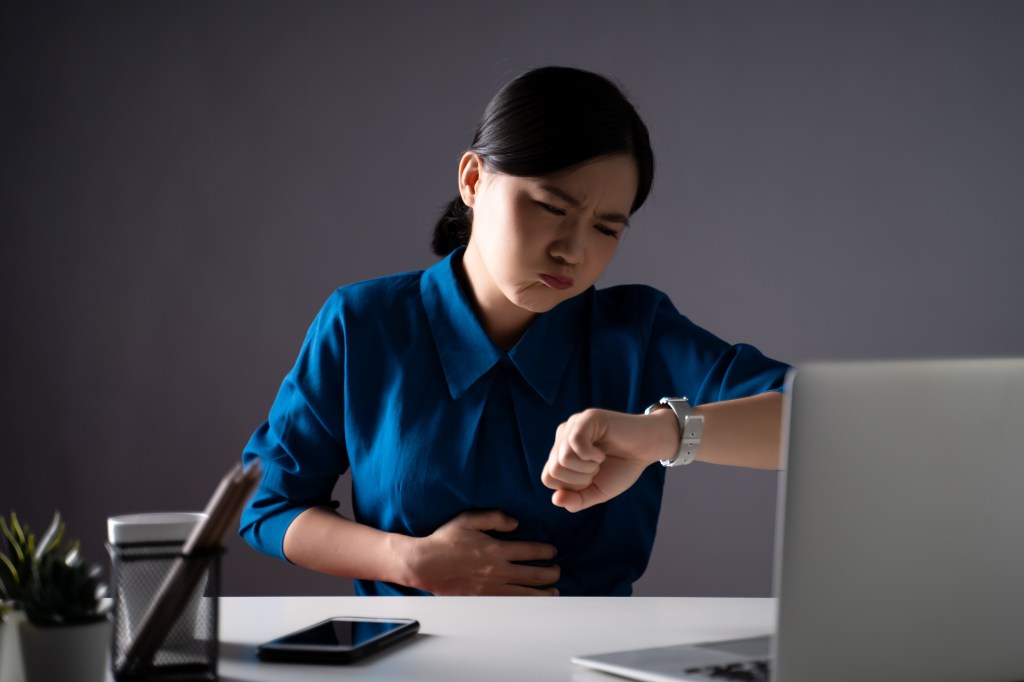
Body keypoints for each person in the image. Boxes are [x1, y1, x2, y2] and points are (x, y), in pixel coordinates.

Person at [239, 66, 789, 597]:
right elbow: (266, 504)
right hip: (400, 660)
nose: (573, 251)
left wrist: (661, 435)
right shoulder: (363, 324)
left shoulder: (636, 333)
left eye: (605, 228)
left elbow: (823, 423)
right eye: (552, 207)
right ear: (474, 180)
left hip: (587, 663)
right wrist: (407, 561)